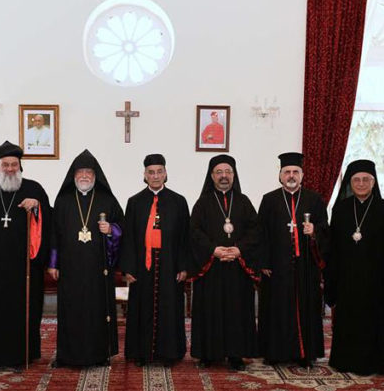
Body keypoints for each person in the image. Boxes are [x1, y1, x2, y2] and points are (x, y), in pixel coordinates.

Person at [0, 141, 51, 369]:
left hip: (24, 268)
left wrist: (37, 208)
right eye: (5, 165)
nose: (10, 169)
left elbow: (50, 222)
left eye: (14, 164)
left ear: (20, 166)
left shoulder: (34, 189)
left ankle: (23, 355)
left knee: (24, 312)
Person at [48, 149, 123, 367]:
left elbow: (123, 227)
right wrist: (53, 263)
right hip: (70, 267)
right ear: (73, 175)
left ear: (95, 175)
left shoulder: (107, 200)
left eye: (88, 172)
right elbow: (54, 234)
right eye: (80, 172)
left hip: (98, 268)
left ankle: (99, 355)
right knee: (70, 310)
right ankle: (67, 355)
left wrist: (111, 230)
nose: (84, 176)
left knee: (96, 311)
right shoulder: (63, 201)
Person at [257, 152, 328, 368]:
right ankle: (274, 352)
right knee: (276, 309)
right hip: (276, 266)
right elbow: (261, 233)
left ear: (302, 175)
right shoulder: (269, 200)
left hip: (306, 265)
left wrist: (314, 231)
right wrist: (264, 262)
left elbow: (326, 229)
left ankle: (305, 354)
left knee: (307, 309)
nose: (291, 175)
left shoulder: (314, 199)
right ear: (280, 176)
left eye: (295, 172)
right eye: (287, 172)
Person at [325, 159, 384, 376]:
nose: (361, 183)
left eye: (366, 179)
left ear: (373, 182)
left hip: (375, 279)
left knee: (372, 322)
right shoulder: (341, 209)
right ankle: (344, 361)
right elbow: (333, 246)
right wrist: (332, 279)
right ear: (350, 183)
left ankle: (372, 364)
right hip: (346, 277)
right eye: (357, 180)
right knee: (347, 321)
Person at [189, 154, 258, 371]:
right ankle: (208, 354)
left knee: (237, 311)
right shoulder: (202, 203)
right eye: (219, 172)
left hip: (238, 268)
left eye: (228, 172)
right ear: (211, 176)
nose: (224, 176)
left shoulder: (244, 202)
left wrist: (239, 249)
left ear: (234, 175)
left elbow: (255, 230)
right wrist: (214, 250)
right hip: (211, 267)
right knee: (210, 310)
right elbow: (194, 232)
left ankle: (236, 355)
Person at [120, 154, 190, 367]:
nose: (156, 176)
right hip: (142, 266)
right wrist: (128, 268)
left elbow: (185, 237)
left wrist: (183, 266)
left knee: (169, 309)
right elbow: (128, 237)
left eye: (160, 171)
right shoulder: (134, 202)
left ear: (166, 173)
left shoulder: (179, 201)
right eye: (151, 172)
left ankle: (169, 354)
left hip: (170, 264)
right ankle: (141, 353)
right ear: (145, 175)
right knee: (142, 308)